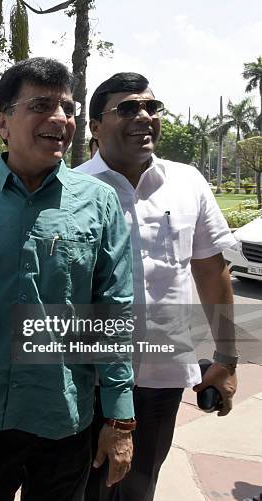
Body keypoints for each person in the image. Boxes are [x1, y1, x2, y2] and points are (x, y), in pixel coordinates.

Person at [0, 58, 136, 501]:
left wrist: (119, 419)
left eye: (68, 109)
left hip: (64, 416)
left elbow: (114, 310)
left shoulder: (99, 202)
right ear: (4, 122)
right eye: (42, 105)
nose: (60, 119)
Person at [75, 72, 238, 501]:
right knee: (85, 490)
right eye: (127, 108)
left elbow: (210, 269)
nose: (144, 116)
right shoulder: (71, 190)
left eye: (151, 106)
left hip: (161, 377)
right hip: (86, 381)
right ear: (94, 126)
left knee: (140, 487)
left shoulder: (188, 182)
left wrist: (227, 358)